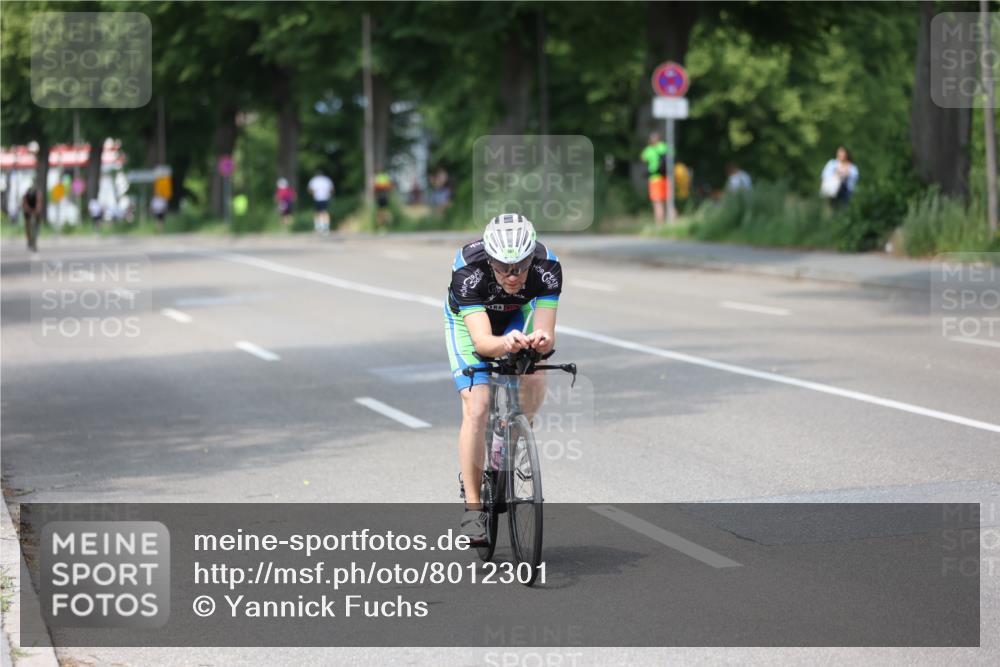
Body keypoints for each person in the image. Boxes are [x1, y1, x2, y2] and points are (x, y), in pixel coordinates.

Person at [444, 214, 562, 543]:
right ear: (490, 260)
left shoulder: (548, 266)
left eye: (520, 267)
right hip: (470, 327)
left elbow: (547, 333)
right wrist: (503, 345)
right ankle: (472, 507)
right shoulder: (468, 270)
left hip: (514, 317)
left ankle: (516, 432)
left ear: (531, 258)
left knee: (535, 373)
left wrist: (539, 341)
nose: (512, 276)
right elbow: (483, 343)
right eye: (502, 268)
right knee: (478, 406)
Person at [307, 169, 334, 234]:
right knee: (325, 212)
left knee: (318, 212)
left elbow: (310, 190)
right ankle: (326, 227)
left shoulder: (314, 180)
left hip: (317, 198)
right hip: (326, 198)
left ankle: (318, 227)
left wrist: (313, 194)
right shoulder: (326, 180)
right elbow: (332, 189)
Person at [21, 186, 43, 252]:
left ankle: (34, 241)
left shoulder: (38, 194)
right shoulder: (26, 195)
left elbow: (39, 204)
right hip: (28, 210)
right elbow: (24, 205)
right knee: (27, 225)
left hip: (36, 209)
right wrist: (29, 210)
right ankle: (29, 240)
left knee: (37, 225)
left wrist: (36, 211)